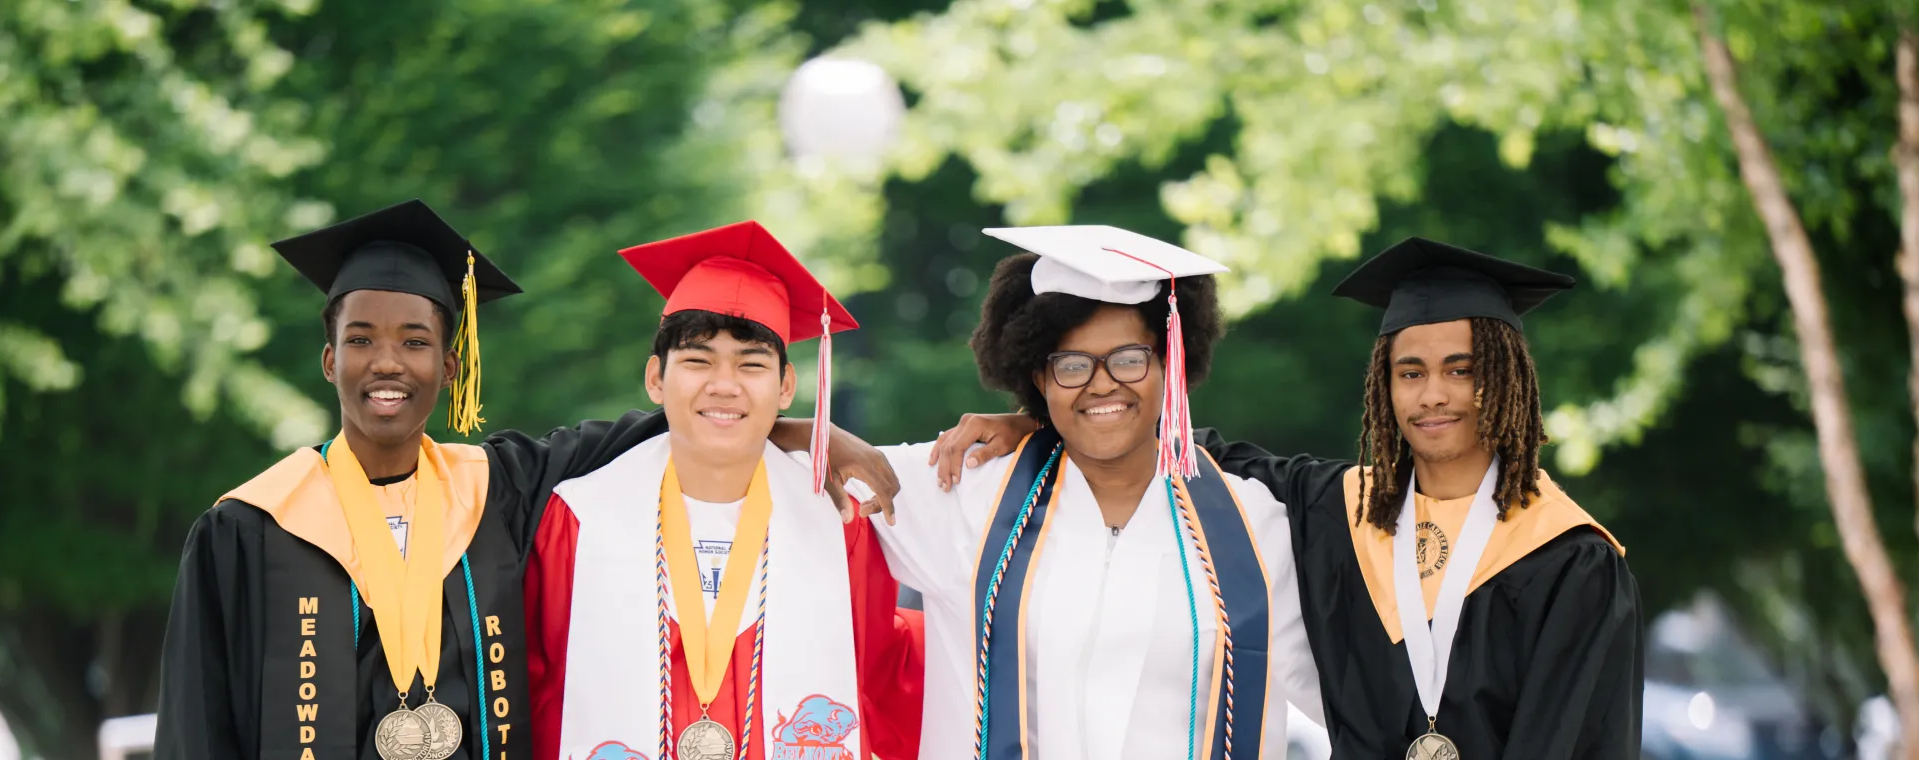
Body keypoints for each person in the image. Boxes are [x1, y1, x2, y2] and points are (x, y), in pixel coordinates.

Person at [153, 202, 901, 760]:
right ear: (329, 362)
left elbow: (678, 422)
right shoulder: (250, 526)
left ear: (451, 367)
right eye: (360, 341)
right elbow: (195, 726)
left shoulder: (495, 492)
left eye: (416, 342)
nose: (388, 363)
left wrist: (796, 426)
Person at [942, 237, 1645, 759]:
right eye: (1410, 372)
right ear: (1384, 387)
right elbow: (1175, 444)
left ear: (1509, 379)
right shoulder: (1334, 510)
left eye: (1462, 370)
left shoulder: (1569, 561)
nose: (1433, 394)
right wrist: (1039, 418)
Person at [865, 225, 1321, 760]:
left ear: (1169, 363)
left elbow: (1344, 698)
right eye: (1072, 365)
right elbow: (784, 468)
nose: (1102, 384)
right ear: (1038, 377)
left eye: (1129, 358)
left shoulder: (1256, 526)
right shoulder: (962, 489)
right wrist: (797, 426)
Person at [523, 220, 922, 760]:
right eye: (697, 360)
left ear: (786, 387)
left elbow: (882, 672)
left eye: (751, 364)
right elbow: (537, 689)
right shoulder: (577, 517)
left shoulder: (837, 524)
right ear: (655, 379)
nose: (724, 384)